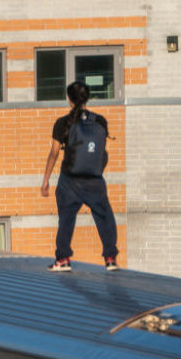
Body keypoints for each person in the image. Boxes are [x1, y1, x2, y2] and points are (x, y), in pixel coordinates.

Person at [40, 81, 119, 272]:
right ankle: (110, 258)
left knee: (66, 219)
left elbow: (54, 153)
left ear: (69, 98)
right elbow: (102, 152)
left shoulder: (62, 123)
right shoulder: (100, 121)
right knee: (105, 217)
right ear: (87, 98)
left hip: (70, 180)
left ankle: (63, 259)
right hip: (94, 179)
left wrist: (45, 180)